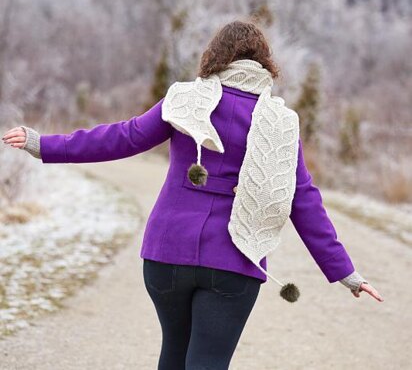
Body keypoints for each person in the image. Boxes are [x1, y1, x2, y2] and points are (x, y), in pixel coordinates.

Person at [2, 20, 383, 370]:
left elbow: (124, 137)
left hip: (166, 254)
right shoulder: (281, 122)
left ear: (215, 56)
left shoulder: (184, 99)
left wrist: (44, 144)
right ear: (266, 64)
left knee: (174, 353)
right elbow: (303, 199)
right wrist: (344, 271)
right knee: (207, 363)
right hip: (234, 260)